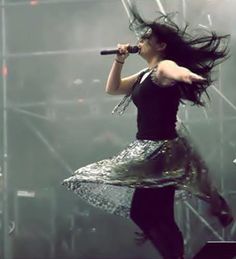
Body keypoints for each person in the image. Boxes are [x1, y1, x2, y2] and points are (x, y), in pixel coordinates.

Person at [63, 5, 234, 259]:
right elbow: (113, 88)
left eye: (145, 38)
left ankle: (176, 255)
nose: (140, 42)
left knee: (143, 212)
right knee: (156, 213)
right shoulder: (145, 74)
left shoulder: (164, 67)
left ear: (161, 45)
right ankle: (179, 251)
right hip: (149, 150)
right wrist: (119, 59)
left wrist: (189, 76)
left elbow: (176, 71)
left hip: (161, 151)